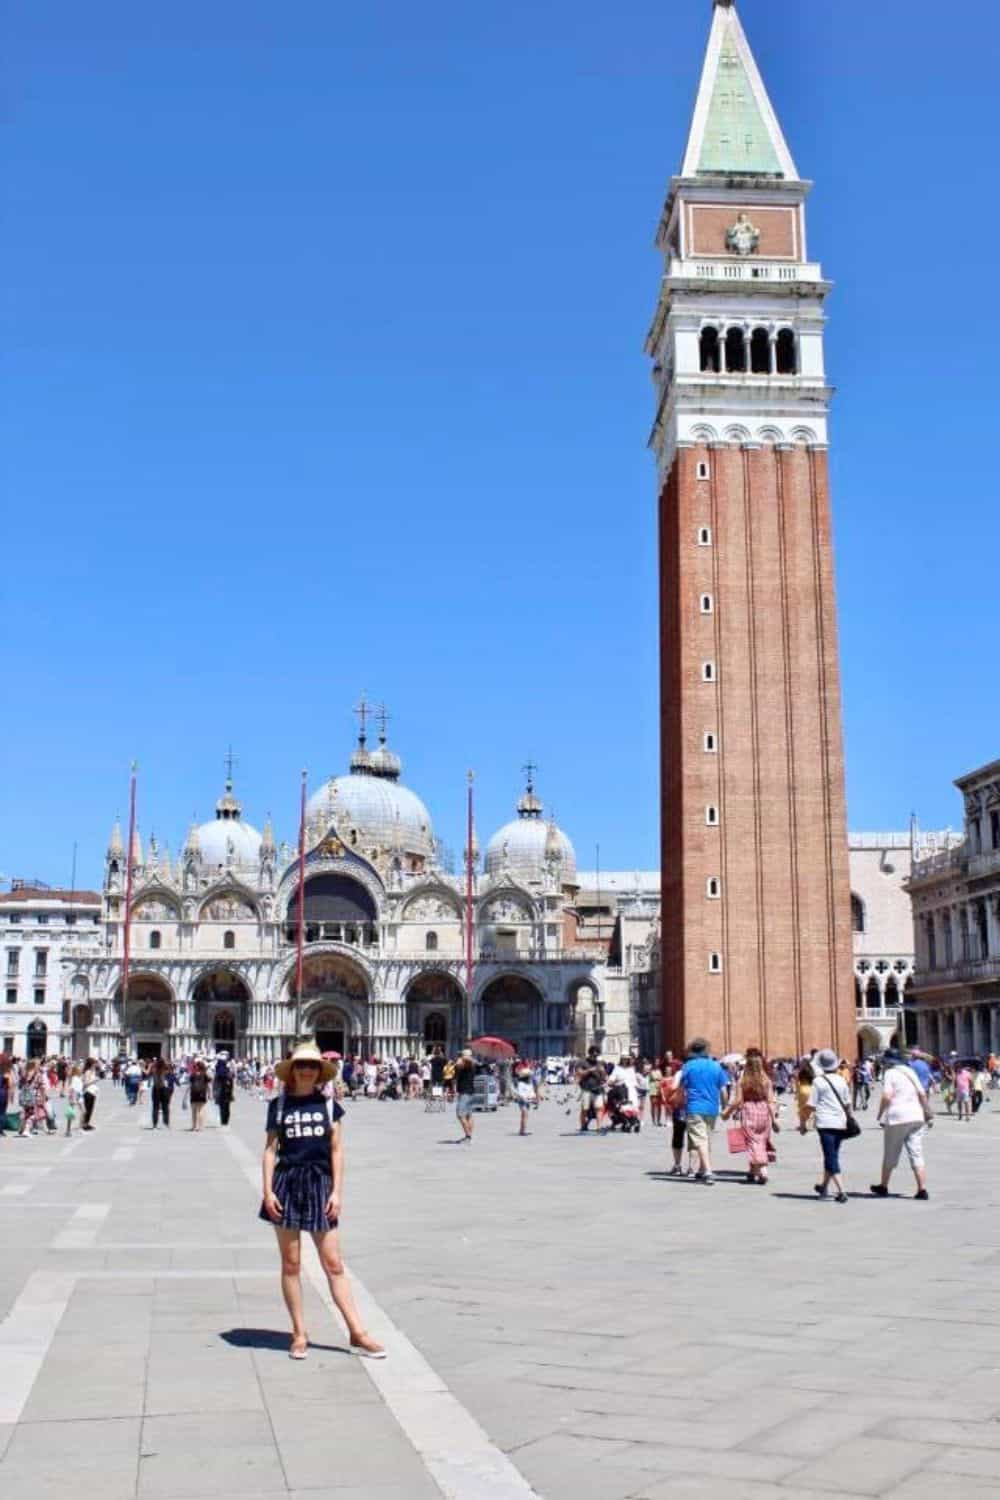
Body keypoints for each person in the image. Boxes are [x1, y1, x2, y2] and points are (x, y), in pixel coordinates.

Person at [260, 1041, 384, 1361]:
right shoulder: (279, 1105)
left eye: (312, 1066)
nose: (306, 1070)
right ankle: (299, 1333)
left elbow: (337, 1150)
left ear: (319, 1072)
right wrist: (268, 1190)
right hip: (286, 1184)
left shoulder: (330, 1106)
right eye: (301, 1065)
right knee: (291, 1264)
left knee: (334, 1264)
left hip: (320, 1184)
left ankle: (357, 1332)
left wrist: (337, 1191)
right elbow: (270, 1150)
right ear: (292, 1069)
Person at [871, 1058, 932, 1200]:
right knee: (916, 1153)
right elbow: (922, 1094)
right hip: (916, 1116)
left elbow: (887, 1095)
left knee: (890, 1152)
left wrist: (880, 1114)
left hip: (897, 1117)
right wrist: (927, 1111)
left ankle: (884, 1186)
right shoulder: (911, 1072)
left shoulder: (890, 1073)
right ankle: (922, 1189)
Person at [679, 1039, 730, 1184]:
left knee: (700, 1139)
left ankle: (707, 1171)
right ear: (706, 1050)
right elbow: (724, 1089)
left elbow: (682, 1089)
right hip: (712, 1108)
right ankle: (701, 1170)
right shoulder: (716, 1066)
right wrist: (725, 1107)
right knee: (706, 1138)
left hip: (694, 1107)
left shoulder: (688, 1066)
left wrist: (680, 1105)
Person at [806, 1048, 854, 1203]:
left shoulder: (818, 1081)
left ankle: (841, 1191)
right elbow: (848, 1104)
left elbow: (811, 1105)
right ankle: (823, 1187)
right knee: (832, 1154)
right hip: (840, 1123)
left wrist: (803, 1122)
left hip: (825, 1124)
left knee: (830, 1156)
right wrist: (850, 1118)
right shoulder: (841, 1080)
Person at [723, 1049, 777, 1184]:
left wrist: (727, 1113)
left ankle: (762, 1170)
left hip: (748, 1112)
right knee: (761, 1141)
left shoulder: (743, 1081)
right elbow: (771, 1101)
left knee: (752, 1142)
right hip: (764, 1112)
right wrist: (774, 1119)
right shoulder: (766, 1081)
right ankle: (752, 1171)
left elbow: (737, 1101)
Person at [577, 1048, 607, 1133]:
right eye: (594, 1055)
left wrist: (603, 1072)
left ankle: (599, 1127)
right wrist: (590, 1070)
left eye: (597, 1055)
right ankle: (583, 1126)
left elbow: (605, 1077)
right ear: (590, 1054)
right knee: (585, 1109)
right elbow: (579, 1073)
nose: (595, 1056)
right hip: (586, 1088)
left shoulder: (600, 1063)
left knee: (599, 1108)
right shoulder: (583, 1062)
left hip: (597, 1089)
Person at [454, 1048, 476, 1142]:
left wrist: (463, 1057)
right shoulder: (468, 1065)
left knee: (460, 1114)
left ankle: (468, 1136)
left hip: (465, 1093)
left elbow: (459, 1064)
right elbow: (457, 1066)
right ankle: (469, 1136)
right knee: (468, 1115)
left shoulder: (469, 1064)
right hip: (468, 1092)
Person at [151, 1059, 174, 1129]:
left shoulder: (154, 1070)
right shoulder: (166, 1071)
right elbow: (171, 1076)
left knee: (155, 1107)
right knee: (165, 1107)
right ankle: (166, 1123)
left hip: (156, 1089)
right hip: (164, 1089)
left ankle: (155, 1124)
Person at [189, 1060, 209, 1132]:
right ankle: (200, 1127)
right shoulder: (205, 1074)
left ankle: (194, 1126)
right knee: (201, 1110)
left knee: (194, 1111)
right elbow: (207, 1085)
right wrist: (210, 1094)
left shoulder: (193, 1074)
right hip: (202, 1094)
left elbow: (190, 1085)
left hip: (194, 1094)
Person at [214, 1054, 234, 1126]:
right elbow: (231, 1081)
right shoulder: (227, 1070)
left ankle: (223, 1120)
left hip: (221, 1091)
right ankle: (225, 1120)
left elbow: (216, 1082)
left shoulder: (218, 1070)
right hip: (228, 1091)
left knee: (222, 1106)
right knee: (227, 1107)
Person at [514, 1066, 535, 1135]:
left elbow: (532, 1092)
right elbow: (520, 1093)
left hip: (528, 1101)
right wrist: (525, 1098)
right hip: (523, 1101)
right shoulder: (521, 1084)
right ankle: (522, 1131)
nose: (530, 1077)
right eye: (529, 1076)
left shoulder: (530, 1084)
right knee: (524, 1115)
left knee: (526, 1116)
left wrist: (532, 1097)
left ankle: (522, 1130)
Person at [81, 1058, 100, 1130]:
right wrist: (94, 1080)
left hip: (93, 1092)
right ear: (91, 1064)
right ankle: (84, 1124)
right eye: (94, 1063)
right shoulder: (87, 1072)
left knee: (90, 1109)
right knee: (87, 1109)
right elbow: (85, 1083)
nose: (96, 1065)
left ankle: (87, 1123)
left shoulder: (92, 1071)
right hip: (88, 1092)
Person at [65, 1064, 84, 1136]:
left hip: (78, 1096)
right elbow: (72, 1089)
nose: (81, 1069)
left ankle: (70, 1129)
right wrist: (73, 1098)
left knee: (73, 1113)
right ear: (77, 1071)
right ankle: (70, 1130)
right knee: (72, 1113)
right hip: (76, 1096)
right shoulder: (75, 1078)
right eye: (80, 1069)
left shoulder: (76, 1077)